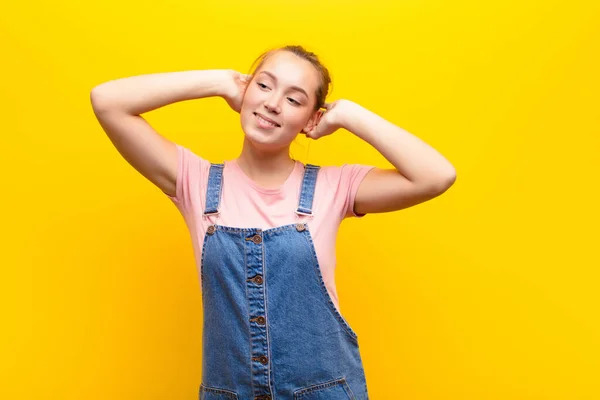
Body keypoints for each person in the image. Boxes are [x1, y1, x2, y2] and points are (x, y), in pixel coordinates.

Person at [90, 44, 456, 400]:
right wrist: (219, 82)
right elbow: (107, 101)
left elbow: (436, 175)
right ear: (246, 90)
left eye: (294, 100)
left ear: (312, 119)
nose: (273, 103)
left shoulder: (335, 186)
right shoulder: (195, 182)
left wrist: (349, 114)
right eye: (264, 85)